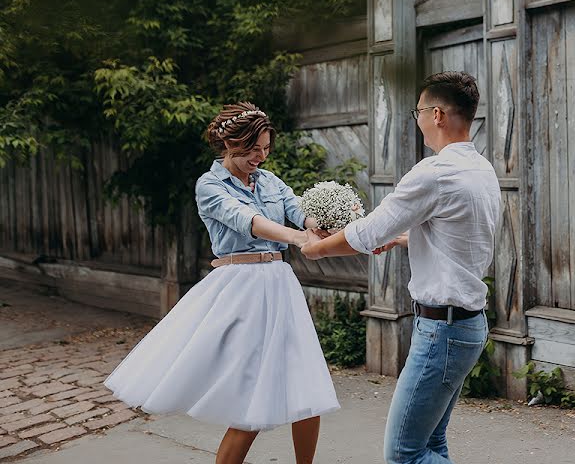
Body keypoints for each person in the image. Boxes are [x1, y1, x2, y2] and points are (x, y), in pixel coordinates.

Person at [104, 102, 339, 464]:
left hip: (280, 285)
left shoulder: (271, 181)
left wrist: (320, 223)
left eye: (266, 148)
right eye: (253, 149)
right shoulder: (210, 186)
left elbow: (297, 210)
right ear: (230, 145)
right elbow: (248, 221)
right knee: (250, 397)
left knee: (307, 385)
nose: (261, 156)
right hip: (241, 288)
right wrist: (297, 238)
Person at [302, 71, 501, 464]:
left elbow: (369, 230)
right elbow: (459, 240)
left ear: (439, 114)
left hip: (443, 331)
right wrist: (403, 239)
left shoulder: (436, 172)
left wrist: (318, 249)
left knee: (403, 454)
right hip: (465, 325)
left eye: (420, 111)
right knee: (431, 445)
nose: (419, 119)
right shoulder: (482, 169)